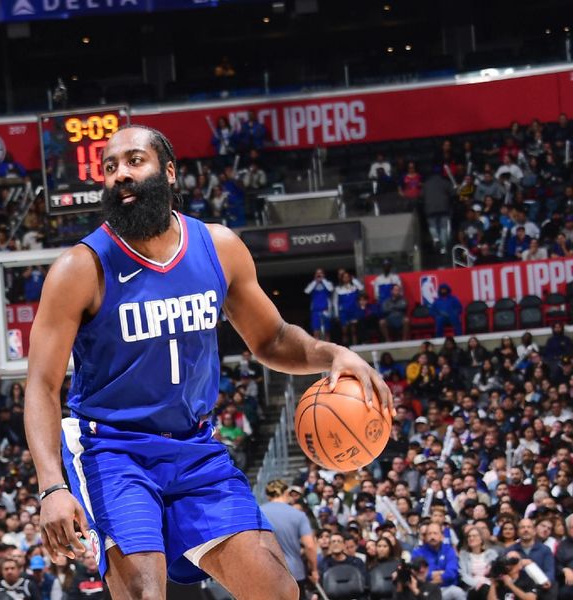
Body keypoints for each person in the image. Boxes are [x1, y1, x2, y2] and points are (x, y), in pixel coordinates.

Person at [24, 125, 391, 599]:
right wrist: (52, 487)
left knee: (279, 592)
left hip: (196, 449)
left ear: (169, 173)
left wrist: (333, 354)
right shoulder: (80, 268)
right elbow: (41, 385)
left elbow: (273, 338)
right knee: (144, 594)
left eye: (135, 161)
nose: (120, 175)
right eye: (110, 168)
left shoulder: (218, 247)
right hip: (113, 452)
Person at [260, 479, 318, 598]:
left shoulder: (258, 513)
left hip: (265, 573)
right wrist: (314, 570)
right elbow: (310, 545)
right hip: (294, 572)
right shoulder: (298, 515)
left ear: (268, 495)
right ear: (286, 493)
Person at [411, 523, 465, 600]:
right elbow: (418, 574)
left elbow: (451, 573)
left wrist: (431, 576)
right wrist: (440, 572)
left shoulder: (449, 550)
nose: (432, 537)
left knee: (458, 592)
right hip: (425, 590)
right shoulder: (418, 552)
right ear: (425, 537)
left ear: (442, 537)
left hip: (446, 588)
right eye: (429, 534)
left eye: (435, 533)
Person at [304, 269, 334, 339]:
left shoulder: (327, 283)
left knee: (327, 332)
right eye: (317, 273)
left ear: (324, 274)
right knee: (316, 331)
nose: (319, 275)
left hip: (326, 310)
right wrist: (315, 281)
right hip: (315, 311)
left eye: (320, 273)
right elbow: (307, 291)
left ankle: (327, 348)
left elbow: (331, 289)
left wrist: (323, 280)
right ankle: (317, 348)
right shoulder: (312, 284)